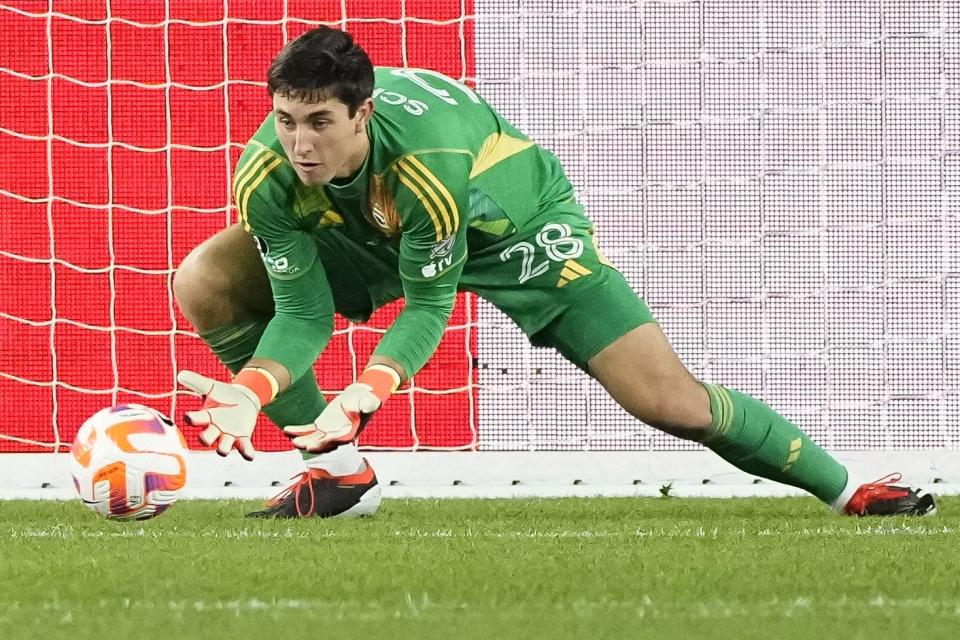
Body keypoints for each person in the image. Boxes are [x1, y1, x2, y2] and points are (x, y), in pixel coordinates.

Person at [173, 26, 935, 519]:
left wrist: (365, 393)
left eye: (319, 123)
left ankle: (848, 490)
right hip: (377, 231)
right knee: (206, 278)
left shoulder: (429, 163)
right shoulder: (268, 175)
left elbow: (431, 305)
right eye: (285, 119)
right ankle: (337, 475)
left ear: (362, 115)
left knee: (669, 402)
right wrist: (251, 390)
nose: (299, 143)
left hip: (515, 229)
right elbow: (304, 312)